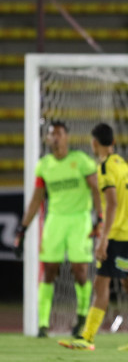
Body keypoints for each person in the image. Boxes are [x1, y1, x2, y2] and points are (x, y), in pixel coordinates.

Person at [59, 123, 128, 351]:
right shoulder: (122, 164)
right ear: (113, 142)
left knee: (101, 285)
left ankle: (87, 337)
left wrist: (103, 239)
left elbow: (111, 203)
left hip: (117, 235)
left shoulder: (105, 168)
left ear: (94, 142)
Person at [14, 120, 102, 338]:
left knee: (80, 271)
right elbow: (36, 199)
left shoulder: (81, 161)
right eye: (52, 134)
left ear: (66, 137)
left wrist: (98, 218)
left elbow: (96, 190)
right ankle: (43, 323)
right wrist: (23, 229)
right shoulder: (44, 165)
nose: (55, 138)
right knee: (49, 270)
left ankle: (81, 317)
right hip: (55, 220)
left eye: (59, 134)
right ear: (48, 138)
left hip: (79, 219)